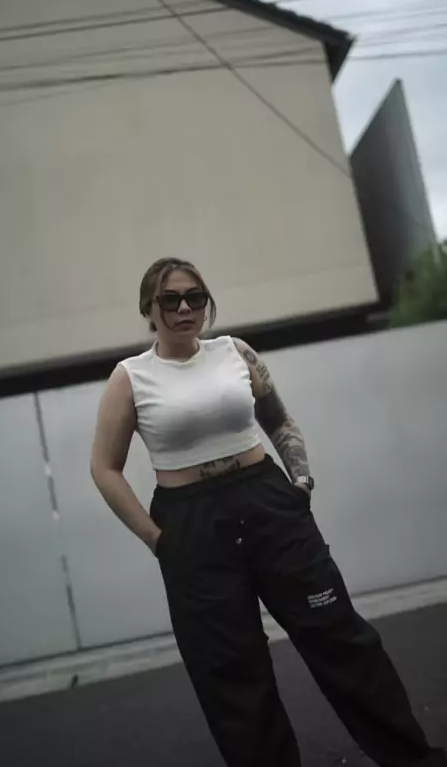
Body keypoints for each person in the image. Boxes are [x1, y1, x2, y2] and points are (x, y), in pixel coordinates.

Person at [90, 256, 445, 767]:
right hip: (191, 524)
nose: (185, 308)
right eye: (171, 299)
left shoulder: (235, 352)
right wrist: (158, 539)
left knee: (340, 636)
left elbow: (278, 420)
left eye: (195, 297)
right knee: (231, 670)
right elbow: (104, 467)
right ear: (149, 308)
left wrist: (300, 480)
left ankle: (411, 757)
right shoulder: (131, 377)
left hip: (269, 502)